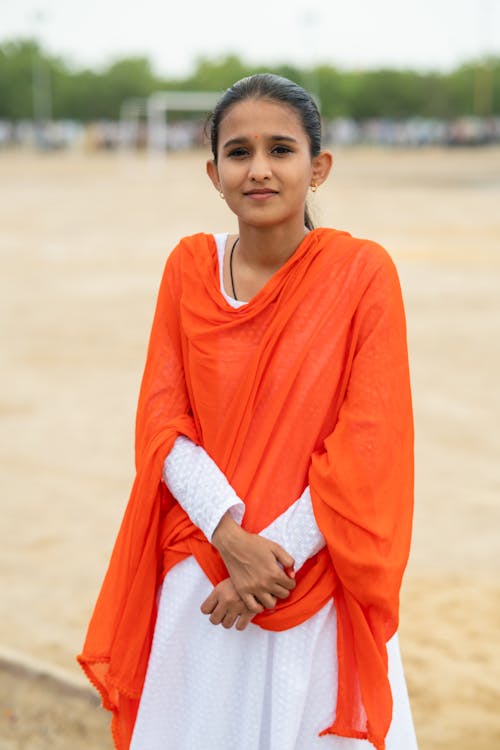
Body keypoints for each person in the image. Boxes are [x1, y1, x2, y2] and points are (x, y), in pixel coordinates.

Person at [78, 73, 418, 750]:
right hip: (203, 574)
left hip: (313, 579)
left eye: (281, 150)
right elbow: (163, 422)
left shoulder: (361, 274)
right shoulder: (188, 268)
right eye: (238, 152)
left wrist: (273, 562)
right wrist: (231, 539)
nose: (259, 169)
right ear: (213, 172)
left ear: (317, 166)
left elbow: (366, 443)